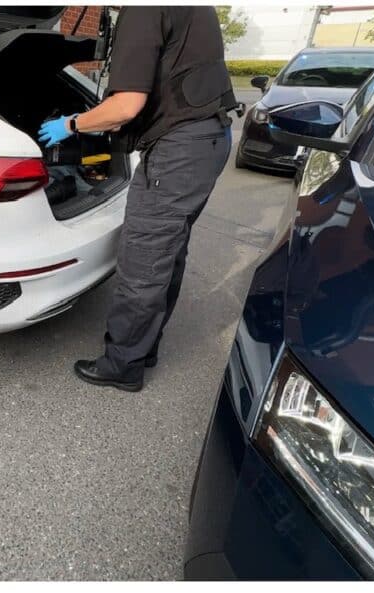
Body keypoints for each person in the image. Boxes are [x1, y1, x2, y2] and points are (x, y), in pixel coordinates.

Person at [38, 6, 238, 393]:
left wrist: (71, 124)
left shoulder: (144, 10)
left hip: (180, 150)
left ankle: (123, 365)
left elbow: (126, 106)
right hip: (207, 139)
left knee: (144, 258)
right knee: (167, 251)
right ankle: (143, 348)